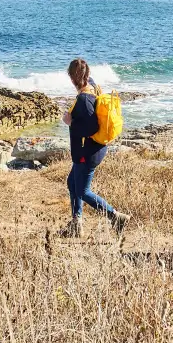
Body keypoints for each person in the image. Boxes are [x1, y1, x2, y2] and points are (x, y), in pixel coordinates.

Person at [59, 58, 130, 239]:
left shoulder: (84, 99)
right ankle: (76, 224)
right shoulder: (92, 85)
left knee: (83, 191)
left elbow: (91, 128)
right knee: (72, 183)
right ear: (88, 74)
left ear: (71, 78)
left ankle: (116, 216)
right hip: (92, 148)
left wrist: (70, 122)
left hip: (88, 152)